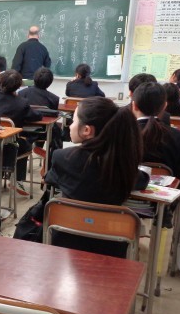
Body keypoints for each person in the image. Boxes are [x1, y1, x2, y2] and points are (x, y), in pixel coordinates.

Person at [44, 96, 145, 257]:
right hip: (112, 246)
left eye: (73, 121)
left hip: (65, 241)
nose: (70, 125)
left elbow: (50, 179)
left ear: (87, 130)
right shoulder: (122, 165)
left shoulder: (62, 157)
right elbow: (142, 180)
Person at [0, 70, 42, 197]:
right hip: (11, 146)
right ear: (18, 86)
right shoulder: (21, 102)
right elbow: (35, 116)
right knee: (27, 143)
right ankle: (17, 179)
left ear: (0, 82)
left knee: (6, 148)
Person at [131, 82, 180, 191]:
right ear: (164, 106)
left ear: (134, 106)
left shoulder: (120, 132)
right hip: (163, 199)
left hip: (125, 196)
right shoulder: (179, 136)